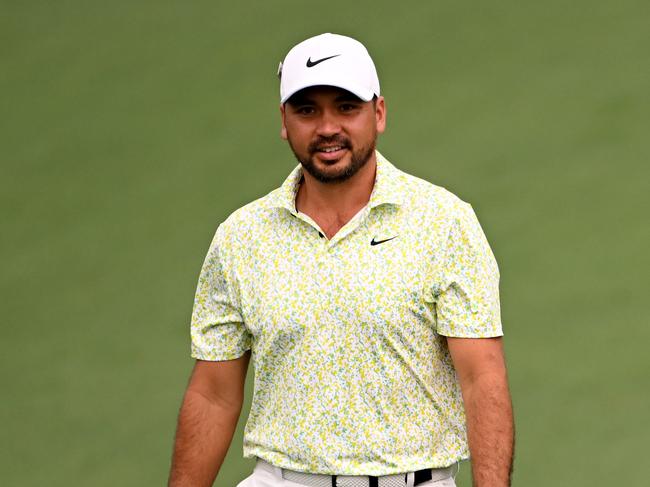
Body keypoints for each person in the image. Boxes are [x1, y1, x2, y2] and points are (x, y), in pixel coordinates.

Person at [168, 33, 514, 487]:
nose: (327, 127)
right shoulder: (241, 237)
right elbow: (213, 394)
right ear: (284, 121)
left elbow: (482, 378)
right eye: (307, 109)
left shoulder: (444, 223)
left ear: (379, 113)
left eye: (346, 107)